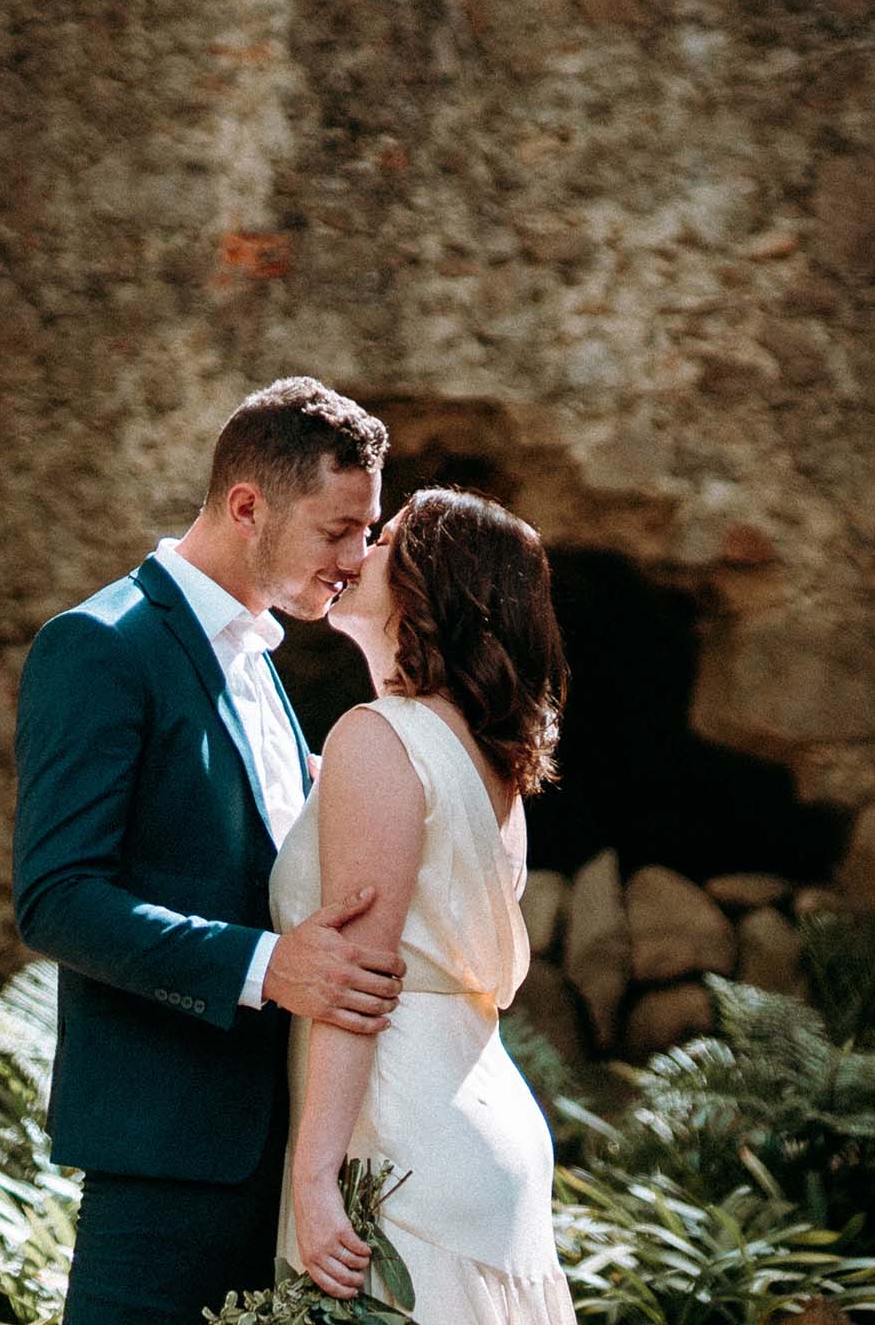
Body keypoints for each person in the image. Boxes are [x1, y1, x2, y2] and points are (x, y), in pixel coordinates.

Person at [12, 377, 408, 1325]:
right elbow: (58, 896)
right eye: (336, 531)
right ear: (246, 506)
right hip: (166, 1151)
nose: (357, 559)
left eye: (368, 531)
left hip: (277, 1150)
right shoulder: (98, 646)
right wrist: (269, 967)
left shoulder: (261, 659)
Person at [273, 487, 577, 1323]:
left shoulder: (379, 737)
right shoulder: (483, 756)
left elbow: (358, 978)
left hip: (396, 1148)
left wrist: (313, 1173)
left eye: (387, 540)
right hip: (482, 1127)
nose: (358, 552)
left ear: (428, 586)